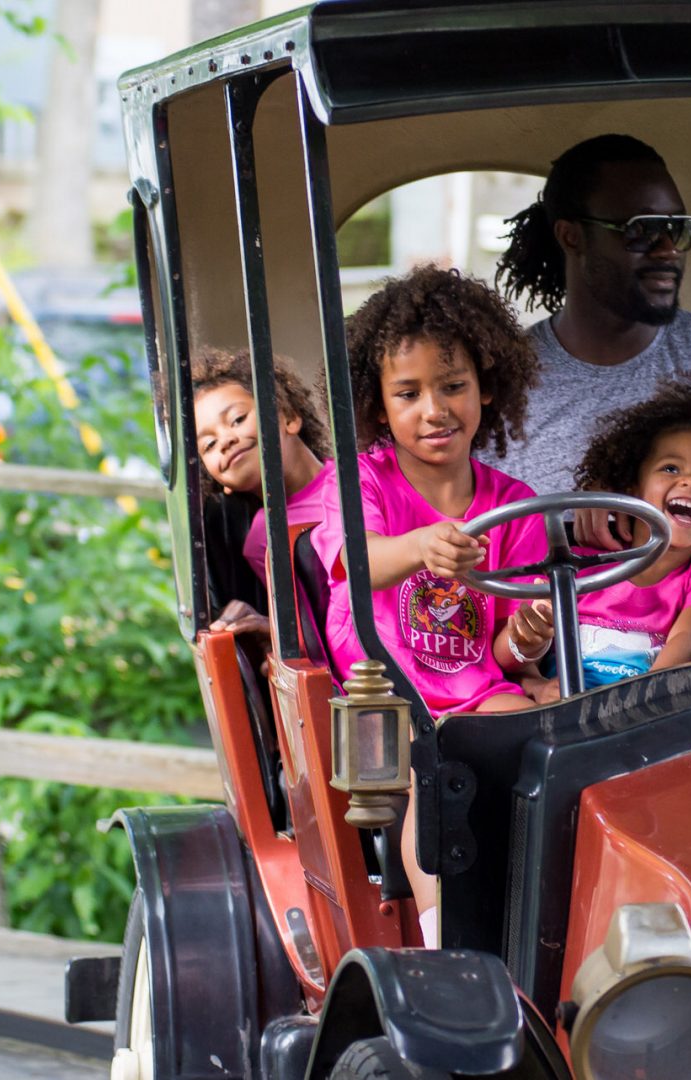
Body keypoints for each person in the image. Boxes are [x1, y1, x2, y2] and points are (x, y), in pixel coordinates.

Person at [312, 265, 548, 944]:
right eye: (407, 393)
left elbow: (502, 649)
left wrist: (528, 636)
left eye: (452, 387)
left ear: (486, 389)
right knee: (433, 770)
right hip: (381, 690)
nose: (433, 410)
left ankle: (536, 920)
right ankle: (446, 934)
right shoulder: (361, 481)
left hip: (471, 686)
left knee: (539, 740)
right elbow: (355, 564)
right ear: (378, 403)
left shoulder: (512, 503)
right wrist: (419, 546)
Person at [488, 134, 691, 500]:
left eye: (677, 227)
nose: (668, 249)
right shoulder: (503, 381)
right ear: (572, 237)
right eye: (642, 229)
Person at [516, 383, 691, 704]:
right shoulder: (575, 565)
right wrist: (536, 686)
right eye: (671, 468)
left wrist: (639, 702)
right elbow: (519, 648)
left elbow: (685, 645)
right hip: (559, 708)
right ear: (631, 490)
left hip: (638, 711)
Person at [191, 347, 332, 638]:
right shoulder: (262, 540)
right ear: (220, 481)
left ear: (289, 417)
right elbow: (311, 628)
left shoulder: (366, 478)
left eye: (238, 419)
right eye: (209, 445)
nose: (226, 440)